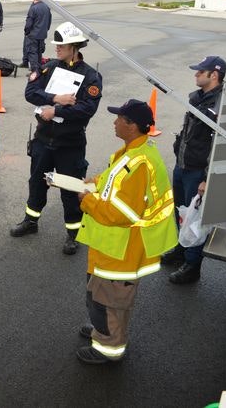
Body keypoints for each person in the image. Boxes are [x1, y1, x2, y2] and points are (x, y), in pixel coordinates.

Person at [75, 99, 178, 364]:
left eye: (119, 118)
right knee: (100, 296)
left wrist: (86, 200)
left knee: (109, 302)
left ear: (131, 126)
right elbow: (114, 180)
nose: (114, 122)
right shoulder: (133, 153)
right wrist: (96, 182)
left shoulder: (138, 163)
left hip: (121, 249)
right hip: (112, 246)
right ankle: (103, 332)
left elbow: (121, 214)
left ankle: (108, 349)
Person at [10, 22, 103, 256]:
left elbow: (86, 110)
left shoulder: (91, 76)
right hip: (44, 139)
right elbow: (30, 93)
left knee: (70, 189)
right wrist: (57, 99)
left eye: (61, 45)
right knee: (36, 182)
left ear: (74, 46)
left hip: (69, 144)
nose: (57, 49)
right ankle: (31, 221)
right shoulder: (49, 67)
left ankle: (74, 233)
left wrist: (56, 112)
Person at [162, 55, 226, 284]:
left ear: (214, 75)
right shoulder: (197, 98)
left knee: (193, 218)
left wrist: (207, 177)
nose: (195, 74)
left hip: (197, 171)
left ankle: (192, 265)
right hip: (183, 165)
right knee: (180, 213)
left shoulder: (221, 105)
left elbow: (220, 145)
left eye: (200, 72)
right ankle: (181, 250)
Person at [21, 0, 52, 73]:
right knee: (39, 52)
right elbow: (49, 21)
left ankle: (35, 71)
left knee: (32, 52)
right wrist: (46, 30)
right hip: (42, 34)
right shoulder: (46, 7)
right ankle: (39, 69)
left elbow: (29, 23)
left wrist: (27, 32)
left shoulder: (33, 8)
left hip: (33, 34)